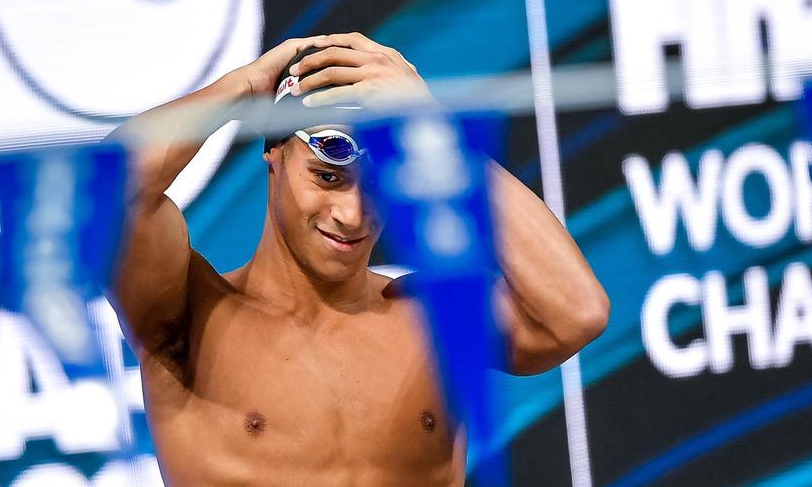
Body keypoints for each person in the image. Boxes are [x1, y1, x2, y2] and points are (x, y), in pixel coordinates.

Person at [108, 32, 609, 486]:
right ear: (275, 154)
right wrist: (243, 87)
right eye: (327, 176)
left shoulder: (430, 316)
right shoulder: (188, 317)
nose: (352, 214)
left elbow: (575, 313)